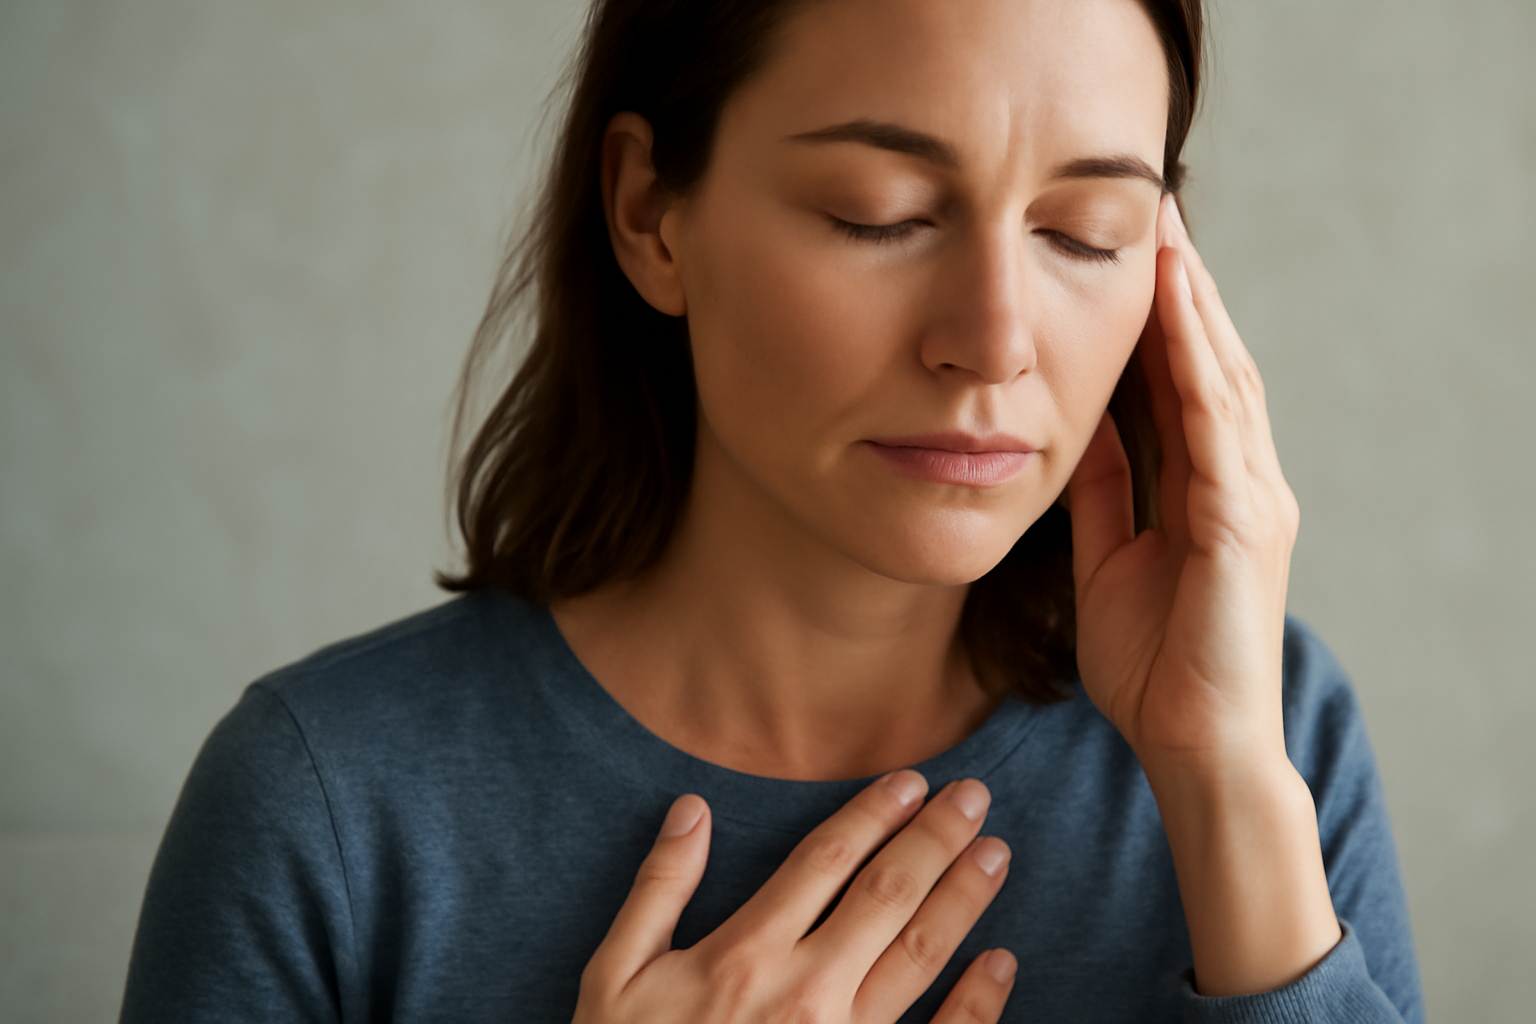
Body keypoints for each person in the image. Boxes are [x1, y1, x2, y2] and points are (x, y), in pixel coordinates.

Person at [119, 0, 1424, 1021]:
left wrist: (1224, 791)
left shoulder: (1271, 733)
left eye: (1086, 232)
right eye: (880, 215)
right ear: (650, 212)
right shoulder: (323, 809)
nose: (994, 341)